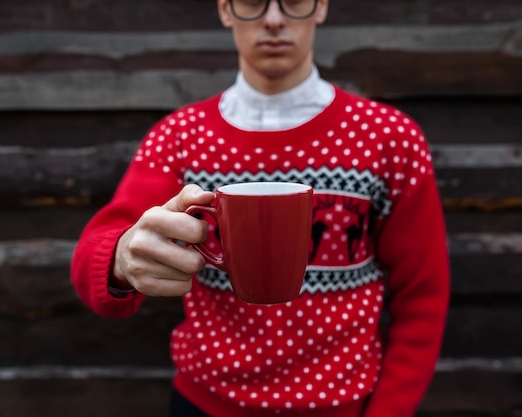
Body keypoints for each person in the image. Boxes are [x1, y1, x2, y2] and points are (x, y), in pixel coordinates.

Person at [71, 0, 450, 415]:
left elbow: (423, 293)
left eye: (294, 2)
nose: (273, 19)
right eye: (252, 2)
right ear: (225, 10)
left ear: (321, 7)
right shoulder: (178, 139)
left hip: (343, 406)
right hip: (206, 403)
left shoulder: (391, 139)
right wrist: (122, 261)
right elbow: (97, 256)